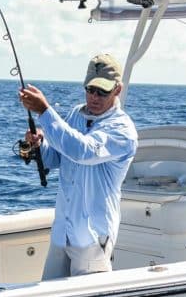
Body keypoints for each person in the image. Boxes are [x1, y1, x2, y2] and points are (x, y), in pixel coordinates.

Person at [19, 53, 138, 279]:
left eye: (102, 91)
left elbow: (83, 151)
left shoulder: (122, 130)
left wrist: (45, 112)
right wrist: (40, 144)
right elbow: (56, 158)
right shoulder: (76, 114)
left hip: (91, 240)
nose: (94, 97)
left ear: (118, 90)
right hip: (62, 233)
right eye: (90, 89)